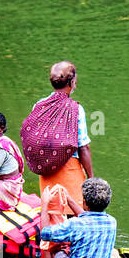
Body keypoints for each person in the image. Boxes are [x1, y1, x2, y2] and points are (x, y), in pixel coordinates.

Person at [33, 61, 93, 213]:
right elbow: (83, 147)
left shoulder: (39, 105)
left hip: (47, 172)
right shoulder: (76, 109)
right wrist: (91, 178)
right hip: (69, 169)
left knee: (52, 214)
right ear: (72, 82)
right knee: (75, 214)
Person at [38, 177, 117, 258]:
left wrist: (44, 204)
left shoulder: (75, 224)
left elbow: (45, 233)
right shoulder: (112, 222)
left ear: (84, 202)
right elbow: (88, 218)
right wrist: (69, 199)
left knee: (57, 248)